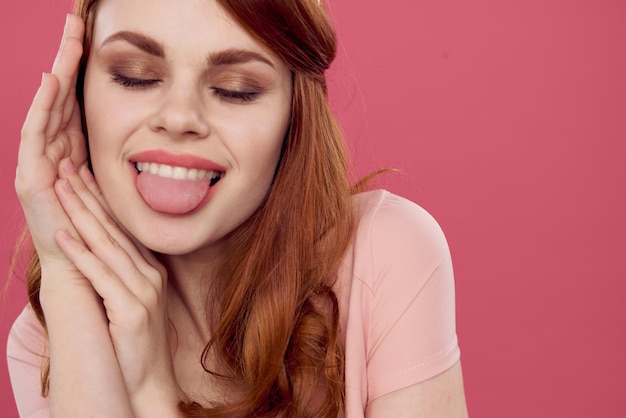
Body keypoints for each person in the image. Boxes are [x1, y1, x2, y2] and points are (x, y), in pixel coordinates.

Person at [7, 0, 468, 416]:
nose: (180, 117)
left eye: (236, 88)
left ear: (294, 115)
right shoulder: (48, 340)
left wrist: (153, 396)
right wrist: (66, 276)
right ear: (77, 95)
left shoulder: (385, 255)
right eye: (135, 75)